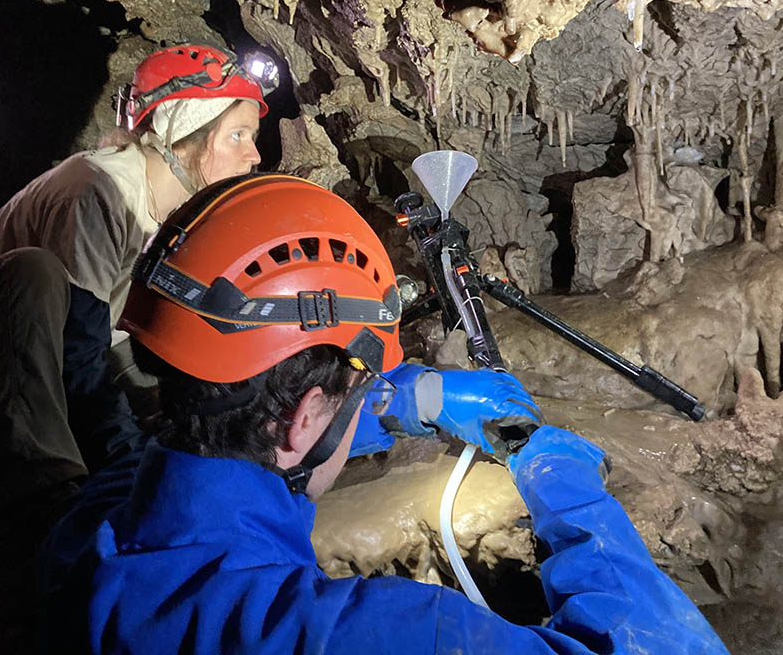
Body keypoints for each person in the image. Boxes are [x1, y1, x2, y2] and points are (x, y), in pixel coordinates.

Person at [39, 174, 729, 654]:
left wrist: (410, 401)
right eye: (359, 386)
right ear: (303, 418)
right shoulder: (375, 634)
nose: (369, 393)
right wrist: (567, 488)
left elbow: (261, 430)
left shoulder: (90, 526)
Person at [0, 43, 276, 650]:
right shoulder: (98, 189)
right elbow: (80, 352)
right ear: (185, 136)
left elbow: (135, 356)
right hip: (3, 347)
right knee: (36, 273)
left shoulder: (173, 219)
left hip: (51, 360)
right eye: (239, 135)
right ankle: (39, 497)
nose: (255, 154)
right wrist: (128, 479)